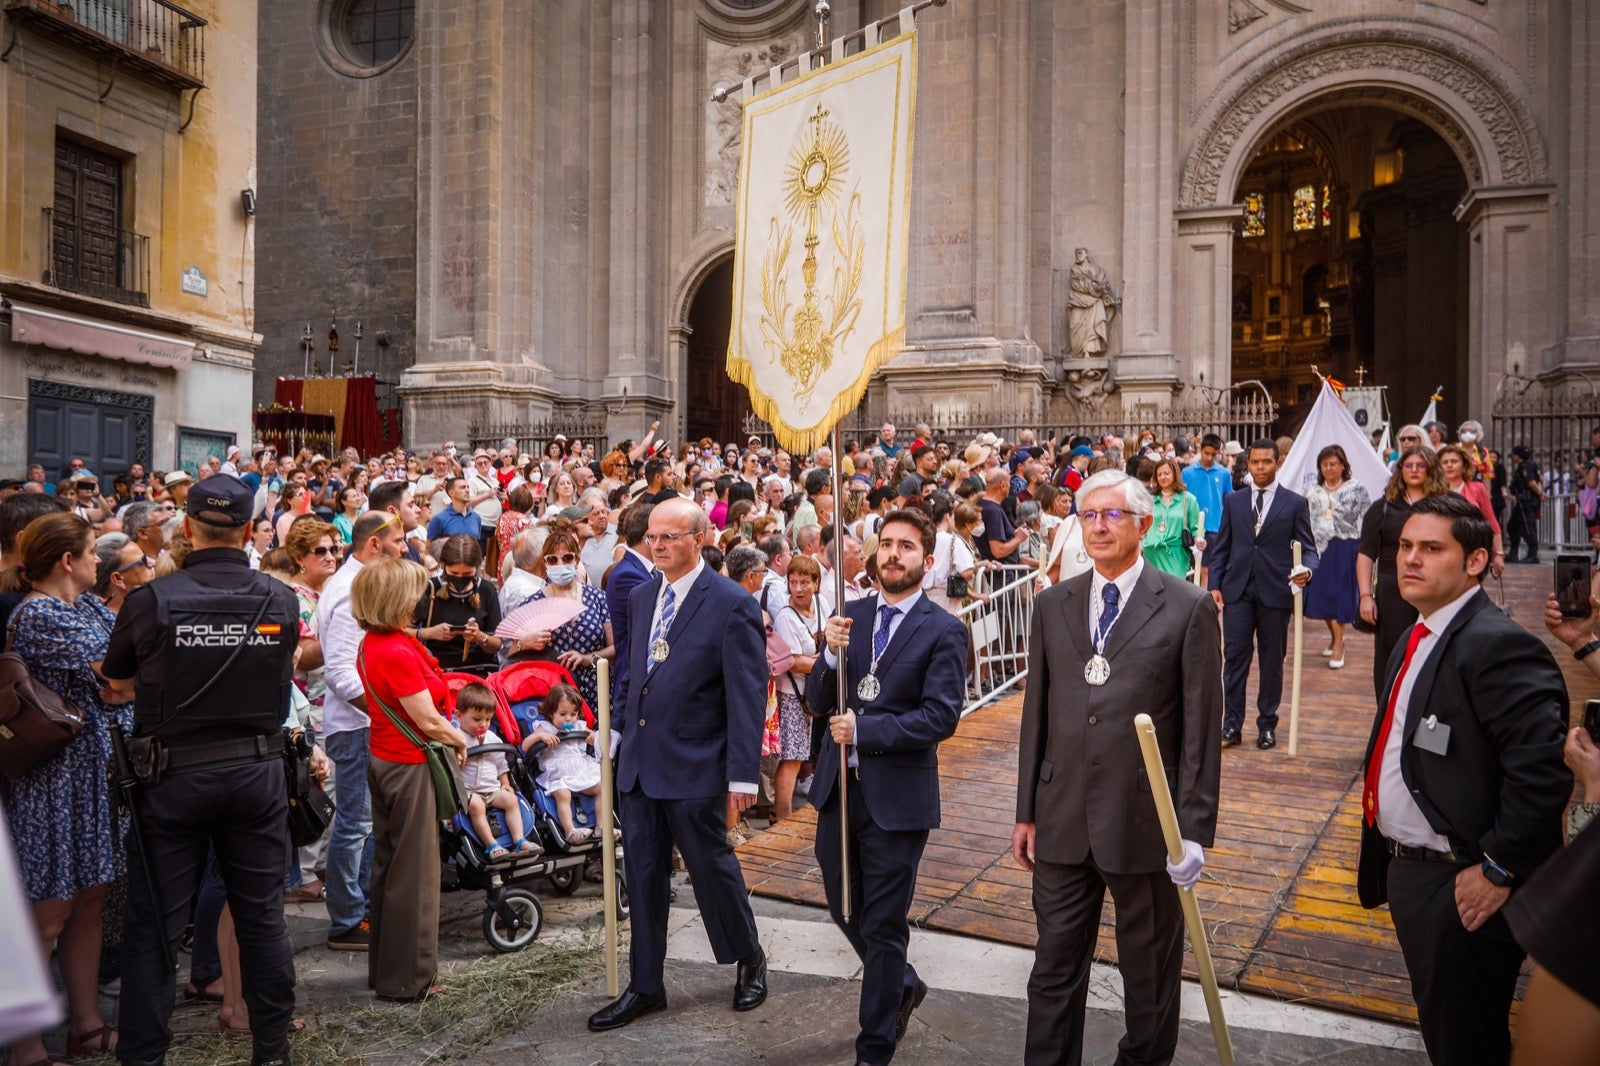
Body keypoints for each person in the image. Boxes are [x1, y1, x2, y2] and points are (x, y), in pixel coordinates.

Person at [1012, 470, 1221, 1066]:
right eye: (1088, 515)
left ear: (1144, 524)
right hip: (1062, 817)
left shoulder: (1186, 606)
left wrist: (1194, 831)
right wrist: (1026, 810)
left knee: (1149, 983)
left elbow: (1201, 731)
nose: (1098, 526)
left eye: (1112, 515)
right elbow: (1038, 714)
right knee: (1052, 972)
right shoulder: (1053, 603)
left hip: (1146, 825)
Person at [1355, 494, 1571, 1066]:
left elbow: (1544, 774)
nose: (1410, 560)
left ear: (1475, 561)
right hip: (1414, 871)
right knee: (1446, 1027)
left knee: (1467, 1043)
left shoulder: (1496, 644)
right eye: (1404, 546)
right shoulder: (1418, 632)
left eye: (1431, 548)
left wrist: (1498, 869)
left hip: (1463, 884)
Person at [102, 476, 300, 1066]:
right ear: (247, 530)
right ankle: (271, 1051)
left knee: (155, 929)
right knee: (262, 918)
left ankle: (143, 1056)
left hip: (174, 778)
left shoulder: (151, 599)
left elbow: (116, 682)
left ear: (187, 528)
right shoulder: (279, 597)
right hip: (253, 773)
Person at [587, 498, 767, 1032]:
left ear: (698, 539)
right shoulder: (643, 597)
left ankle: (747, 955)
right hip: (640, 762)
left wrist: (741, 775)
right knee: (641, 873)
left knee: (711, 867)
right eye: (651, 538)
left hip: (696, 761)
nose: (657, 545)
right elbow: (630, 673)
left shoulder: (731, 602)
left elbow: (747, 694)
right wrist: (615, 729)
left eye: (668, 537)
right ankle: (646, 985)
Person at [806, 507, 968, 1066]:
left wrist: (867, 730)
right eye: (887, 544)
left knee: (883, 919)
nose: (894, 554)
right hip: (838, 791)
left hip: (897, 800)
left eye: (906, 546)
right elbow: (815, 699)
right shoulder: (848, 615)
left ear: (927, 559)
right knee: (841, 905)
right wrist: (828, 653)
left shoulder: (945, 629)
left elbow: (941, 717)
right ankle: (901, 982)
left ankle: (874, 1046)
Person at [3, 513, 125, 1066]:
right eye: (94, 551)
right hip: (51, 780)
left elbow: (127, 663)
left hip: (88, 775)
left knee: (89, 900)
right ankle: (23, 1041)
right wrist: (126, 676)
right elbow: (118, 674)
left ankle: (86, 1024)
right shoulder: (41, 613)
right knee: (48, 911)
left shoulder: (87, 606)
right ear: (67, 561)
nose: (101, 560)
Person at [351, 557, 471, 1002]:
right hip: (408, 765)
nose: (422, 599)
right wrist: (460, 739)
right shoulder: (396, 649)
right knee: (415, 876)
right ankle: (409, 978)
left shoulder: (376, 641)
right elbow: (427, 720)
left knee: (389, 868)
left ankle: (386, 970)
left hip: (384, 759)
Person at [317, 510, 409, 952]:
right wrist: (386, 713)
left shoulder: (362, 584)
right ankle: (346, 918)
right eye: (398, 540)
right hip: (356, 726)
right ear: (374, 545)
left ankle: (367, 910)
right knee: (353, 825)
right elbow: (338, 672)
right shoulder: (349, 589)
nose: (405, 547)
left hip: (367, 723)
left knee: (370, 825)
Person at [1206, 440, 1318, 749]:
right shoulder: (1234, 501)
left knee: (1272, 661)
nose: (1260, 468)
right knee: (1235, 659)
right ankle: (1231, 725)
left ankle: (1267, 724)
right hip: (1237, 589)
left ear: (1277, 462)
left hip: (1276, 590)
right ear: (1248, 464)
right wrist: (1214, 584)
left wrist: (1306, 570)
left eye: (1266, 462)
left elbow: (1309, 549)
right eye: (1254, 462)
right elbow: (1222, 547)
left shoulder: (1294, 503)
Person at [1356, 446, 1448, 694]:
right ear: (1400, 470)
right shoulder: (1383, 507)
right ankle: (1388, 714)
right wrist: (1365, 596)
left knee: (1435, 651)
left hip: (1436, 589)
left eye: (1421, 465)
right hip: (1392, 590)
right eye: (1409, 465)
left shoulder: (1448, 506)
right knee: (1391, 656)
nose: (1415, 470)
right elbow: (1366, 553)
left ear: (1431, 469)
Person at [503, 527, 611, 707]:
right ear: (545, 563)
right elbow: (512, 657)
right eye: (552, 559)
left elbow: (615, 648)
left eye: (567, 557)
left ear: (577, 559)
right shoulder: (532, 603)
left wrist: (587, 658)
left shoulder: (598, 598)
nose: (560, 564)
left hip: (595, 689)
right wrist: (524, 643)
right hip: (552, 694)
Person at [1303, 445, 1370, 669]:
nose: (1329, 468)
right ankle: (1334, 637)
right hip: (1319, 547)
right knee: (1321, 594)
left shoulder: (1356, 488)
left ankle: (1340, 645)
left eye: (1333, 464)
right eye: (1325, 465)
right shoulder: (1312, 491)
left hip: (1345, 544)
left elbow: (1367, 516)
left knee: (1340, 594)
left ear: (1343, 465)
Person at [455, 683, 537, 857]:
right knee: (476, 805)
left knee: (511, 800)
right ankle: (491, 844)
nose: (483, 724)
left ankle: (519, 840)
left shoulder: (492, 738)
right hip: (468, 792)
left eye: (488, 719)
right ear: (459, 716)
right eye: (477, 720)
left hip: (491, 788)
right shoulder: (456, 739)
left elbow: (501, 763)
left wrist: (505, 783)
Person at [771, 555, 822, 823]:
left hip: (817, 692)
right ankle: (782, 817)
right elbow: (793, 663)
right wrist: (824, 661)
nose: (799, 588)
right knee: (792, 757)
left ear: (816, 583)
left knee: (808, 753)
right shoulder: (785, 617)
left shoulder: (823, 605)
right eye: (793, 582)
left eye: (804, 582)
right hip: (793, 695)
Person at [521, 683, 605, 843]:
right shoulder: (544, 727)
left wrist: (593, 737)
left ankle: (601, 827)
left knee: (602, 788)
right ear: (551, 713)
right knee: (562, 794)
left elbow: (595, 737)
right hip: (558, 772)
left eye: (573, 714)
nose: (569, 718)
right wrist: (540, 737)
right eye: (563, 714)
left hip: (580, 768)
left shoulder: (579, 726)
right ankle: (570, 831)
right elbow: (525, 746)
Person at [412, 534, 505, 672]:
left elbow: (497, 644)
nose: (460, 578)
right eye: (454, 573)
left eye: (467, 574)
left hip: (476, 670)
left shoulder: (487, 590)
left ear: (477, 568)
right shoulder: (430, 589)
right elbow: (403, 631)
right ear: (443, 566)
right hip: (435, 669)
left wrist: (479, 637)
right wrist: (429, 633)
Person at [1140, 458, 1200, 579]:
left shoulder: (1188, 499)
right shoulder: (1149, 501)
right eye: (1159, 474)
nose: (1163, 477)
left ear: (1175, 474)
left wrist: (1199, 539)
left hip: (1176, 554)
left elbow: (1196, 528)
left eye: (1166, 473)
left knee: (1174, 591)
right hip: (1151, 552)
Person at [1503, 444, 1543, 564]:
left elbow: (1532, 483)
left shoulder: (1525, 466)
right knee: (1513, 526)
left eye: (1514, 455)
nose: (1513, 457)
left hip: (1527, 501)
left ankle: (1533, 554)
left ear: (1517, 455)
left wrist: (1540, 494)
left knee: (1527, 527)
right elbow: (1540, 479)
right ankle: (1513, 552)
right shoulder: (1532, 464)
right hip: (1523, 501)